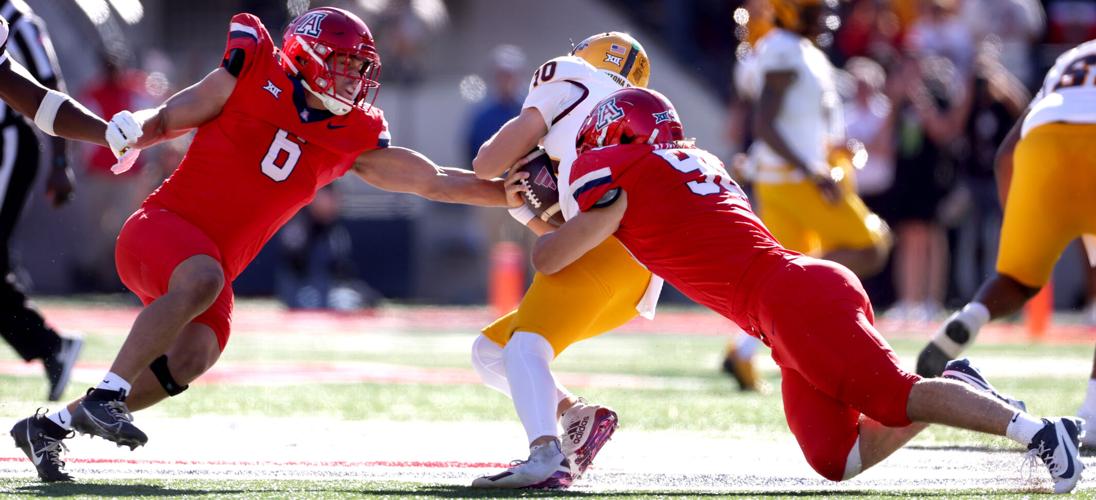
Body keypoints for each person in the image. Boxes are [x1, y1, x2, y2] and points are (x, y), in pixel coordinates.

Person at [9, 7, 507, 483]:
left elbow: (438, 180)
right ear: (307, 55)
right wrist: (133, 129)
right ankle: (107, 394)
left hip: (210, 269)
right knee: (203, 279)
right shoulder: (253, 67)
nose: (355, 80)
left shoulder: (353, 133)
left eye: (361, 68)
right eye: (345, 64)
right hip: (159, 229)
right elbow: (168, 117)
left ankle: (50, 427)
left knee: (195, 355)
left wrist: (519, 193)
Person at [534, 87, 1083, 494]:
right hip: (795, 296)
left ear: (619, 136)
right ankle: (957, 385)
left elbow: (550, 256)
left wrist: (536, 205)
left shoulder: (625, 176)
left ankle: (1039, 432)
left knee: (896, 395)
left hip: (791, 302)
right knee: (836, 459)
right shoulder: (692, 162)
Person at [468, 32, 660, 489]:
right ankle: (576, 416)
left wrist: (502, 173)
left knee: (523, 347)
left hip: (610, 246)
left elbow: (486, 164)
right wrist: (523, 212)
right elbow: (573, 236)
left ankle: (545, 456)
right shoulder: (638, 111)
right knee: (491, 353)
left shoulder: (571, 75)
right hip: (637, 267)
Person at [916, 39, 1096, 448]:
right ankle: (1093, 413)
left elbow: (1006, 153)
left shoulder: (1071, 59)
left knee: (1016, 278)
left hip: (1041, 144)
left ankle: (972, 315)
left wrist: (1020, 218)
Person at [750, 0, 890, 278]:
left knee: (788, 264)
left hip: (786, 175)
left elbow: (801, 118)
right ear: (790, 10)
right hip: (793, 177)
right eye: (815, 10)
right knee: (870, 247)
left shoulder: (802, 49)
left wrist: (831, 145)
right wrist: (811, 169)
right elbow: (764, 124)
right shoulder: (782, 48)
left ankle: (778, 287)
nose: (825, 16)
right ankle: (782, 284)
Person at [0, 1, 86, 402]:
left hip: (7, 141)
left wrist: (59, 160)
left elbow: (49, 89)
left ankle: (50, 346)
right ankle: (51, 347)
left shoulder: (16, 18)